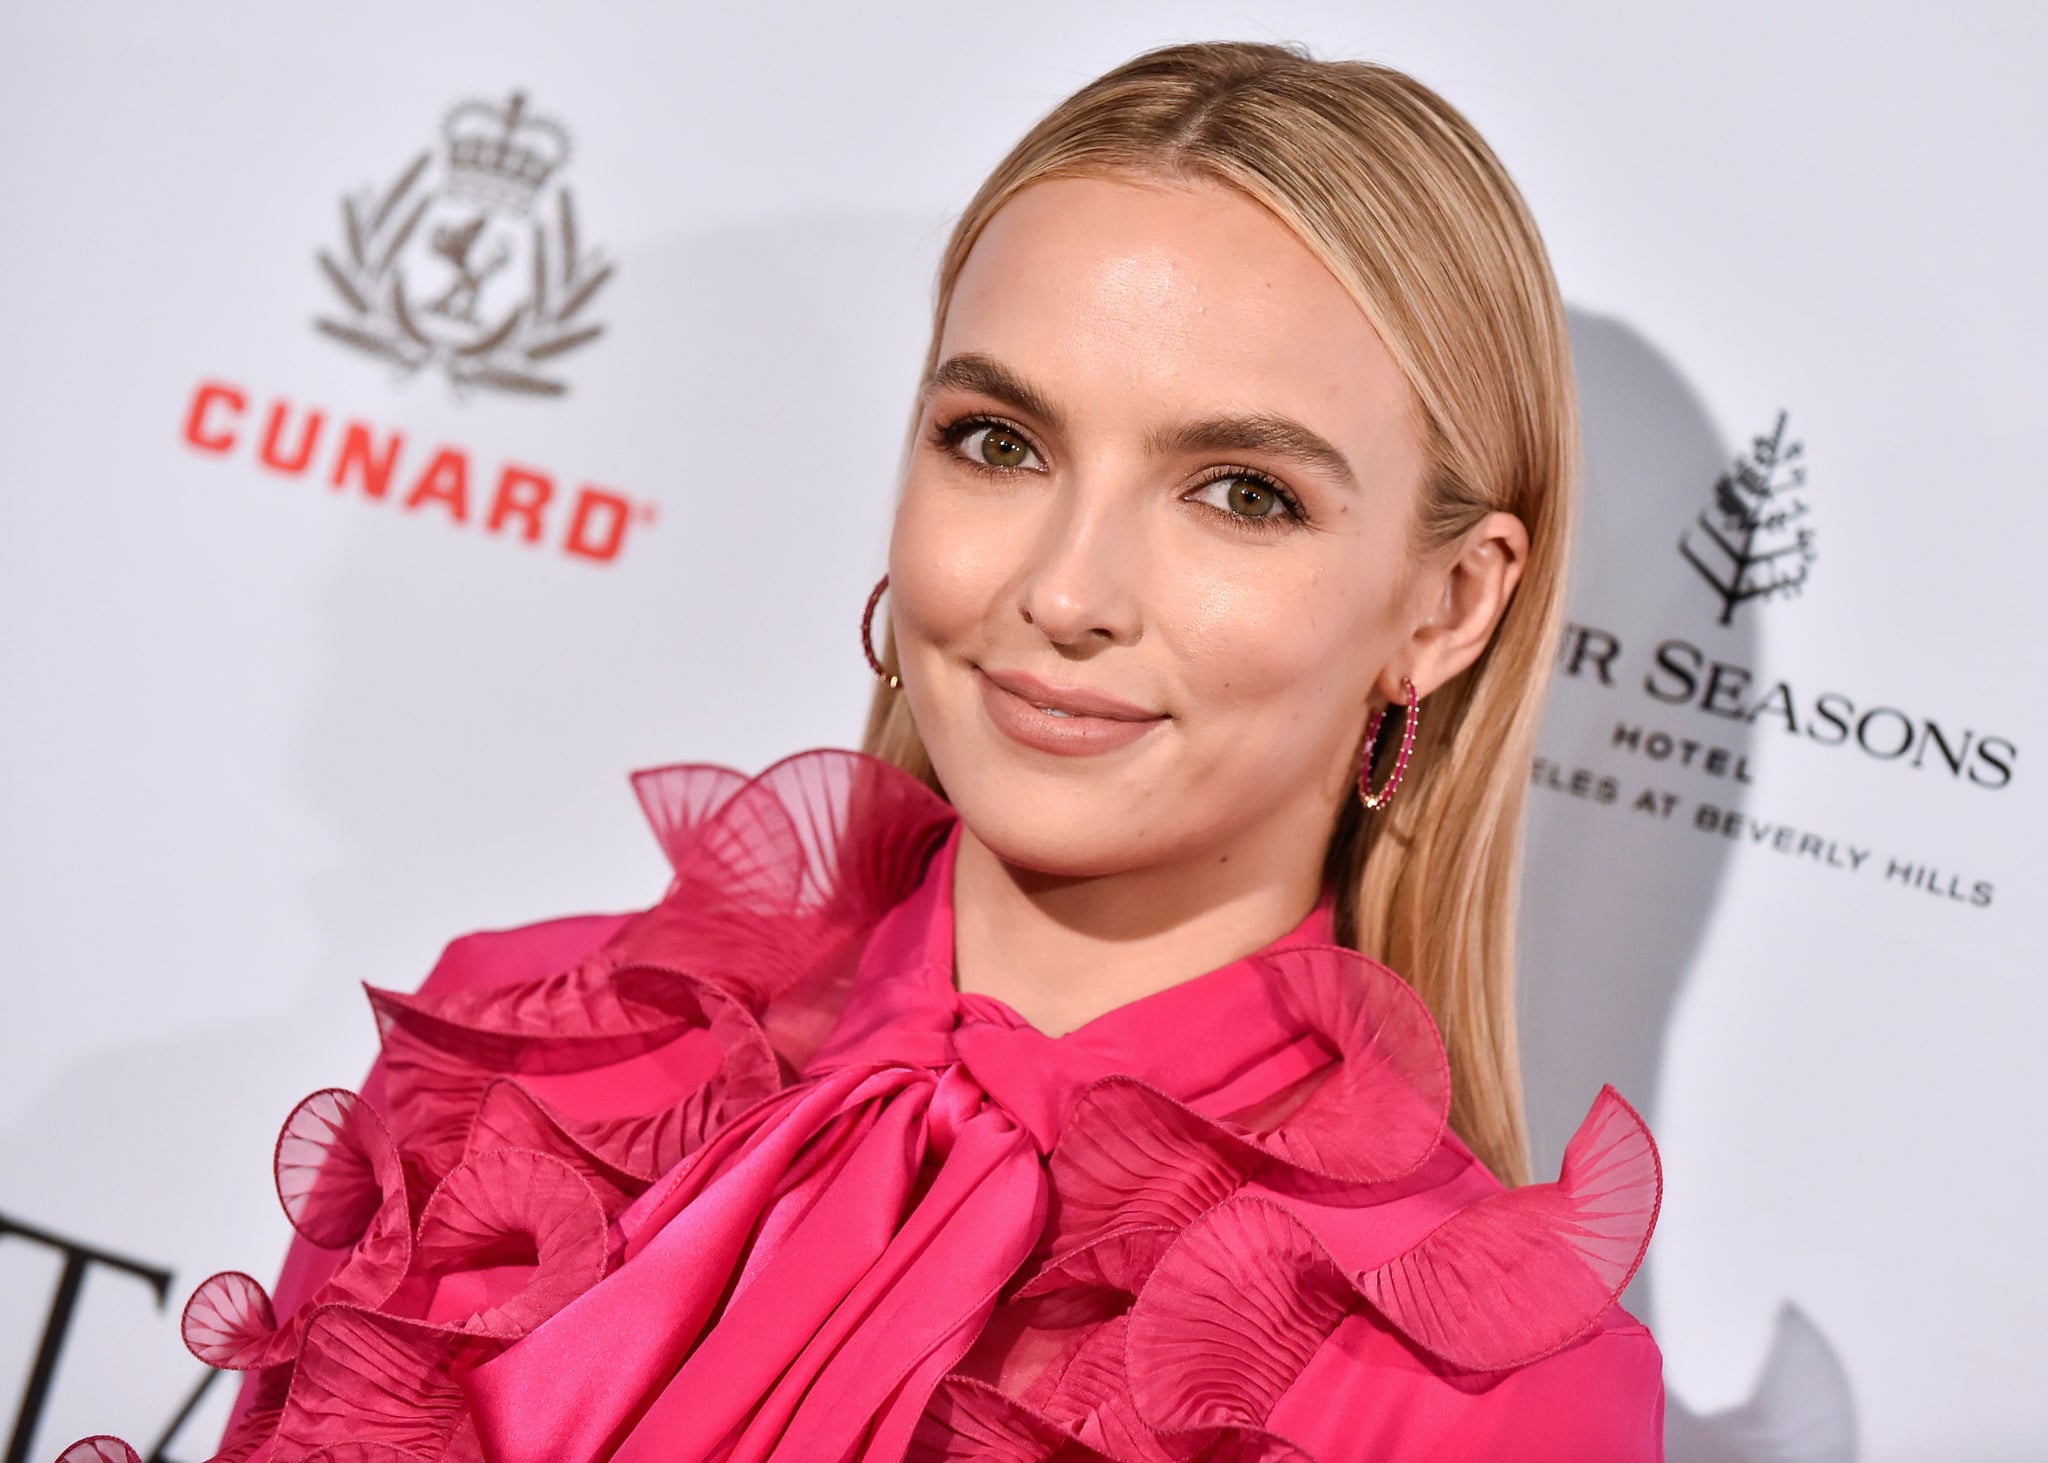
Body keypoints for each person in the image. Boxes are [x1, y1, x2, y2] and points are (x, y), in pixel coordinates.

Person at [68, 38, 1663, 1463]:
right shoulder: (511, 1061)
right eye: (999, 443)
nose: (1063, 589)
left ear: (1447, 609)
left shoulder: (1483, 1396)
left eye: (1241, 490)